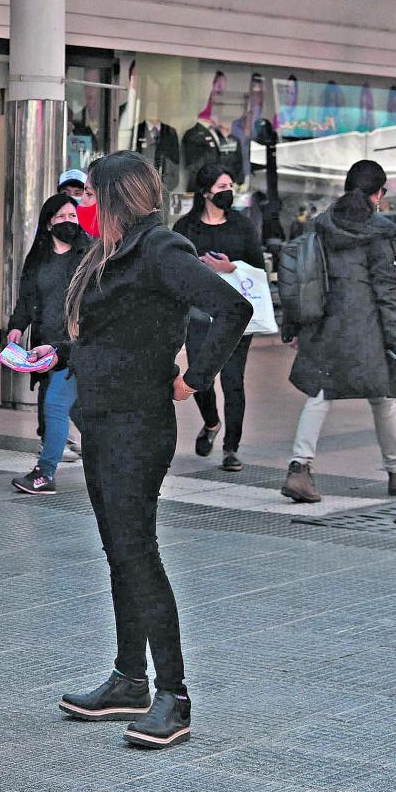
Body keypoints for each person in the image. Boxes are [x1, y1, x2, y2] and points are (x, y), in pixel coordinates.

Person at [50, 151, 252, 750]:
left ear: (116, 197)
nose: (83, 205)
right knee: (120, 552)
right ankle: (129, 679)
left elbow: (233, 308)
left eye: (91, 195)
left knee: (138, 554)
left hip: (138, 426)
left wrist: (194, 378)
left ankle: (173, 695)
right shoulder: (111, 252)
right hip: (103, 418)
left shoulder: (161, 249)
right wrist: (58, 355)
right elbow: (113, 334)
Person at [280, 160, 396, 504]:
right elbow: (387, 293)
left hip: (324, 326)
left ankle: (299, 468)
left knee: (321, 394)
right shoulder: (378, 234)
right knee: (383, 397)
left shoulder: (321, 225)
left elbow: (304, 280)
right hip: (367, 332)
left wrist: (294, 327)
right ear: (378, 194)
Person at [173, 165, 264, 473]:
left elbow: (259, 268)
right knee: (200, 376)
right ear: (205, 192)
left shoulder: (242, 226)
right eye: (222, 186)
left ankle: (231, 448)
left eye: (231, 186)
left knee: (234, 381)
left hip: (236, 315)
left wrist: (230, 268)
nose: (229, 192)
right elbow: (174, 268)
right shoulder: (185, 228)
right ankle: (211, 423)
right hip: (199, 315)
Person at [5, 193, 90, 495]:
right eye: (61, 217)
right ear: (49, 223)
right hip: (45, 346)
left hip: (76, 344)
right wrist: (17, 327)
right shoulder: (38, 258)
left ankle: (45, 473)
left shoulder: (89, 254)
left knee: (56, 403)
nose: (69, 222)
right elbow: (27, 298)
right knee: (76, 410)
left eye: (73, 216)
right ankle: (118, 462)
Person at [57, 169, 100, 237]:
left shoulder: (97, 227)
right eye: (65, 193)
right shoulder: (51, 225)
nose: (71, 197)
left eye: (77, 193)